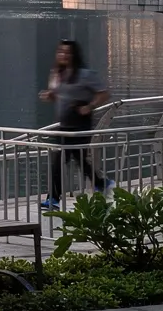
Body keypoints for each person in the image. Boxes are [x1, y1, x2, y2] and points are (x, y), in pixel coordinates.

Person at [40, 39, 111, 210]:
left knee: (60, 160)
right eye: (61, 52)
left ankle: (53, 199)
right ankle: (100, 183)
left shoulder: (85, 74)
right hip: (64, 124)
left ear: (74, 55)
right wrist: (50, 96)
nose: (63, 55)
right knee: (77, 159)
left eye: (67, 52)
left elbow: (104, 94)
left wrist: (89, 106)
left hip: (80, 125)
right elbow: (58, 95)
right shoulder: (57, 73)